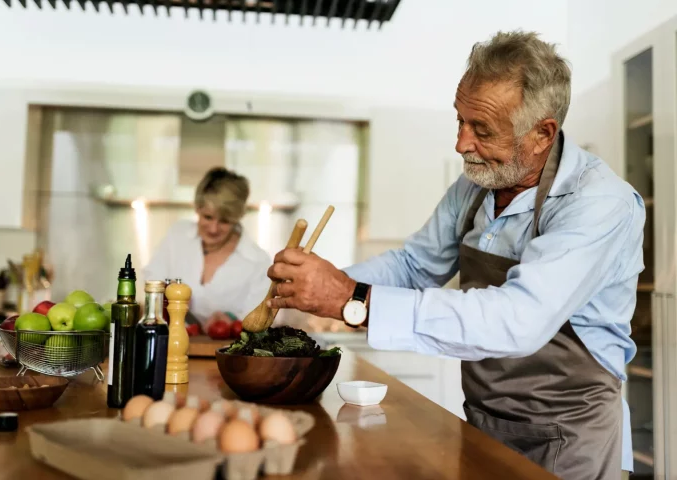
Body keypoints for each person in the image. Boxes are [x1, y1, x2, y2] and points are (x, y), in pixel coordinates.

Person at [265, 31, 643, 480]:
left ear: (542, 133)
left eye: (481, 129)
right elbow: (414, 266)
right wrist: (316, 287)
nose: (461, 143)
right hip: (484, 421)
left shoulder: (599, 203)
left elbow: (516, 320)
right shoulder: (477, 185)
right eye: (460, 121)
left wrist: (353, 299)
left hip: (570, 439)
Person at [143, 167, 271, 327]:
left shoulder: (258, 262)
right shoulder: (177, 235)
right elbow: (151, 280)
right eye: (207, 217)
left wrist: (231, 319)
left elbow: (260, 319)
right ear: (197, 208)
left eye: (224, 221)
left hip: (225, 350)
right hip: (170, 342)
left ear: (238, 217)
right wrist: (166, 294)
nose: (213, 228)